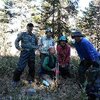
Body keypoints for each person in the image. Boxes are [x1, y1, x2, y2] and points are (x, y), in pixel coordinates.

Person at [71, 31, 100, 100]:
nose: (76, 38)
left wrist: (94, 61)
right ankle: (82, 84)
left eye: (77, 37)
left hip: (95, 57)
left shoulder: (85, 42)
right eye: (75, 37)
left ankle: (95, 87)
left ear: (80, 36)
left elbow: (91, 51)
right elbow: (79, 52)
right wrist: (82, 59)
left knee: (95, 72)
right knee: (81, 70)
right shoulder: (76, 44)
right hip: (86, 59)